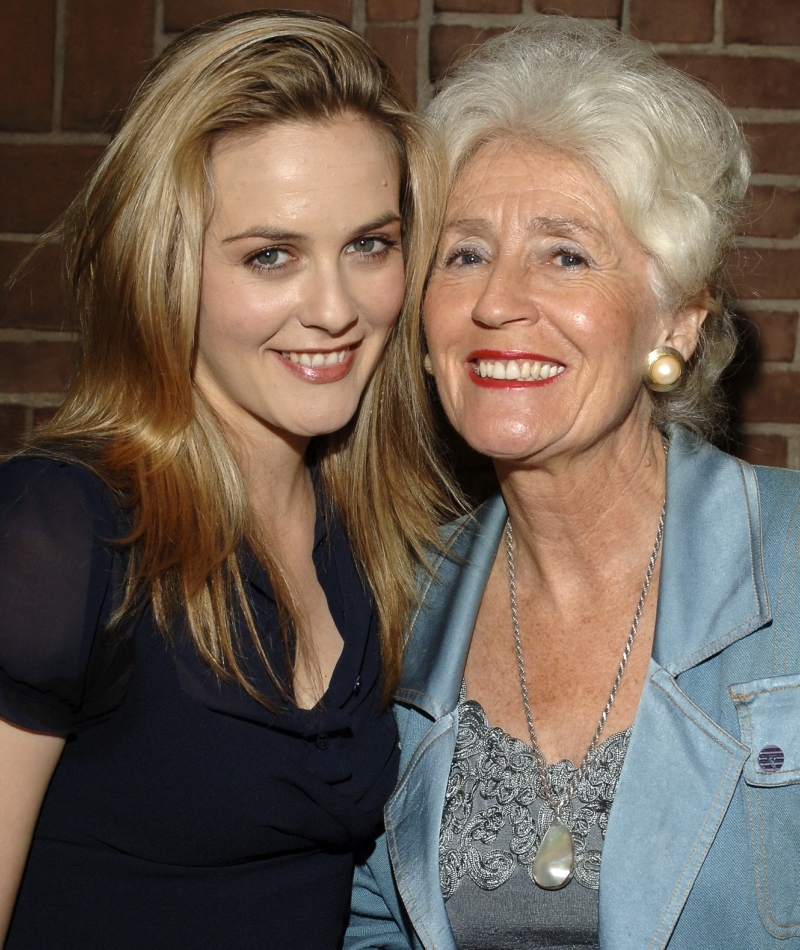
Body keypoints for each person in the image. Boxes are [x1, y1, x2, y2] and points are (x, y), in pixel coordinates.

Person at [0, 11, 453, 949]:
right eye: (270, 255)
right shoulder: (58, 533)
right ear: (163, 267)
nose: (334, 309)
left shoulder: (373, 543)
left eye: (370, 244)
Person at [346, 16, 800, 950]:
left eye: (566, 254)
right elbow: (367, 917)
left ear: (674, 322)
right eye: (464, 253)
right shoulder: (393, 600)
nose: (497, 301)